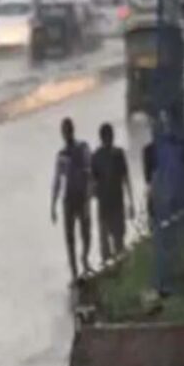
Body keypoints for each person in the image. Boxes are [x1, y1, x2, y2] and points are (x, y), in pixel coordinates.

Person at [51, 117, 92, 282]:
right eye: (64, 131)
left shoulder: (83, 148)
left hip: (81, 196)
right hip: (68, 198)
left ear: (72, 131)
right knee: (70, 238)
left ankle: (84, 258)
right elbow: (57, 181)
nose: (66, 134)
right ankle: (74, 272)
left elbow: (90, 174)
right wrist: (52, 205)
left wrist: (89, 196)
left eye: (68, 130)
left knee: (86, 233)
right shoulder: (61, 155)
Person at [91, 123, 134, 263]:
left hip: (113, 205)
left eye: (110, 137)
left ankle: (117, 270)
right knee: (108, 245)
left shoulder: (116, 154)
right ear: (104, 138)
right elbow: (93, 183)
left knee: (117, 241)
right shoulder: (98, 157)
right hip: (107, 206)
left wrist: (131, 202)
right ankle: (113, 270)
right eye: (108, 137)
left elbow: (126, 178)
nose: (110, 139)